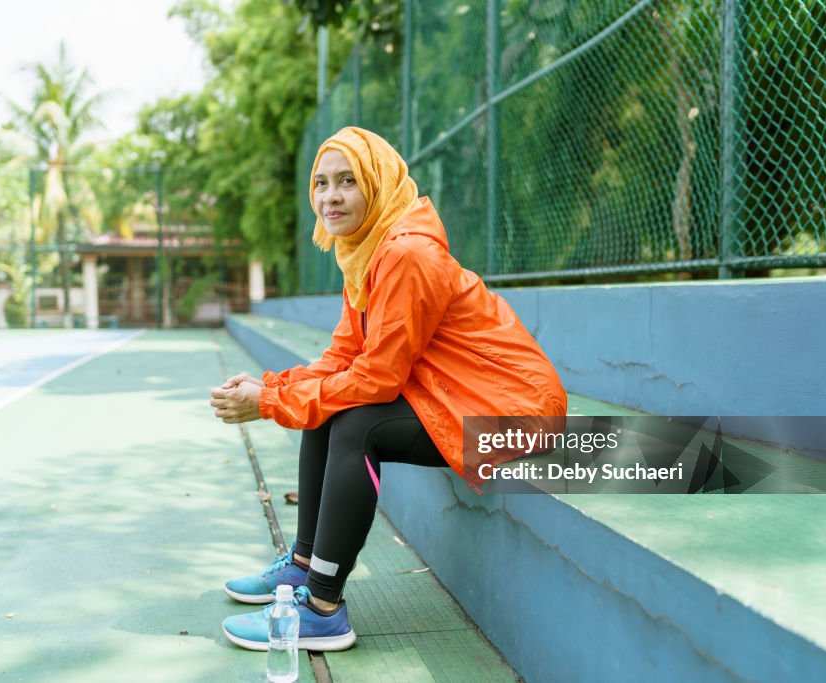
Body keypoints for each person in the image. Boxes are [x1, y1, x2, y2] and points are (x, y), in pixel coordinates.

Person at [210, 126, 566, 652]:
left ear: (376, 184)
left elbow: (377, 379)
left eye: (348, 181)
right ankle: (306, 569)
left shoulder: (406, 254)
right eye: (322, 183)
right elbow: (341, 360)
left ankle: (324, 607)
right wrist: (270, 385)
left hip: (512, 413)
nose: (330, 196)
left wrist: (267, 403)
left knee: (358, 420)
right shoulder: (366, 251)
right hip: (458, 400)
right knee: (331, 407)